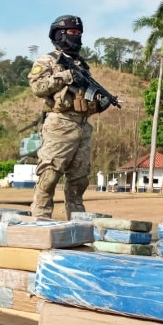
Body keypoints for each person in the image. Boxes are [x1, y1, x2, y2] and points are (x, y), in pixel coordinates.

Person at [28, 15, 111, 219]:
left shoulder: (82, 66)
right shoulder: (47, 61)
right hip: (60, 124)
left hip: (82, 126)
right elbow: (37, 87)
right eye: (73, 33)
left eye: (79, 34)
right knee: (49, 174)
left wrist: (98, 104)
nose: (77, 37)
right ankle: (40, 216)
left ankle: (77, 219)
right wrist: (65, 76)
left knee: (79, 179)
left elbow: (83, 96)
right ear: (60, 34)